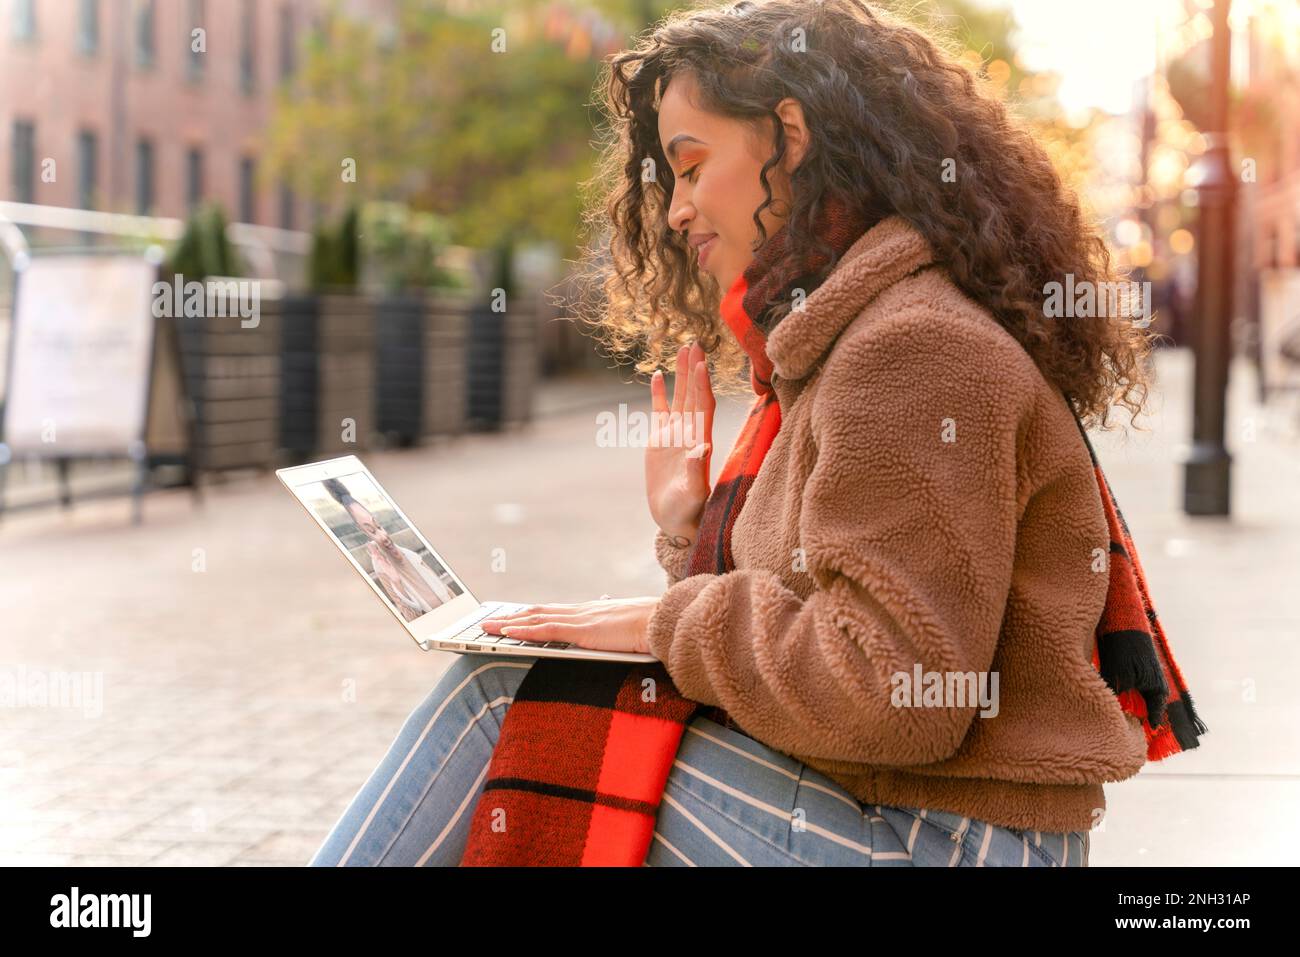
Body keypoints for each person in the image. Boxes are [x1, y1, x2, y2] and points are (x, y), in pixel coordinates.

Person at [310, 0, 1170, 867]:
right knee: (540, 692)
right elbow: (802, 628)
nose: (677, 210)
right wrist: (692, 528)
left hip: (944, 839)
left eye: (691, 165)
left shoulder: (913, 347)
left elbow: (891, 693)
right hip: (899, 811)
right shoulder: (850, 336)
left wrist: (666, 620)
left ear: (788, 138)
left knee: (500, 698)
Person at [322, 478, 454, 622]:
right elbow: (413, 619)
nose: (383, 536)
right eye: (372, 531)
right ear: (363, 532)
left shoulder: (412, 555)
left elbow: (447, 590)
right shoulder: (381, 569)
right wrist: (396, 582)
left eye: (379, 527)